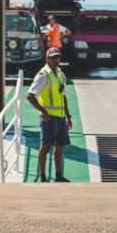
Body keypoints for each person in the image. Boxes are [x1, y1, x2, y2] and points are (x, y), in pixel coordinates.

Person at [25, 48, 72, 183]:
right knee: (45, 146)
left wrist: (68, 116)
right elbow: (30, 96)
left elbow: (63, 97)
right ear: (47, 59)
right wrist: (44, 112)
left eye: (57, 57)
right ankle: (43, 177)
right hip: (49, 118)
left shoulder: (61, 74)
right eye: (53, 58)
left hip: (60, 117)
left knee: (60, 146)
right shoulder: (43, 75)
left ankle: (58, 175)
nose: (56, 60)